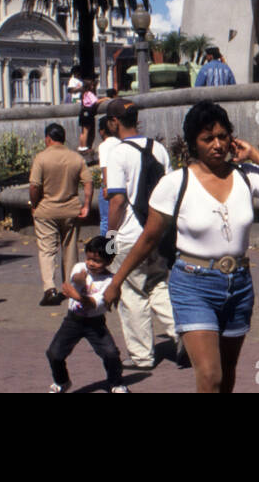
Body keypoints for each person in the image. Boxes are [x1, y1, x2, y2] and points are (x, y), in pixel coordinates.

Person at [103, 102, 259, 393]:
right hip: (193, 285)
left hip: (239, 285)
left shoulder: (245, 175)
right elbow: (148, 239)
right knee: (210, 376)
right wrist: (116, 280)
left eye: (222, 137)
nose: (217, 145)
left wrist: (255, 154)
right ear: (194, 143)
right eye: (208, 139)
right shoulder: (175, 183)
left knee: (227, 373)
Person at [104, 99, 177, 370]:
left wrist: (109, 238)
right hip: (157, 233)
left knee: (132, 293)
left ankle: (141, 356)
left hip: (128, 236)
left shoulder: (117, 153)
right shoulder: (158, 148)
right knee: (157, 285)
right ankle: (185, 335)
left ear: (114, 122)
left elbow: (117, 201)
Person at [47, 235, 128, 393]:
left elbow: (94, 303)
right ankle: (62, 382)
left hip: (95, 323)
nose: (91, 263)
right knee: (54, 353)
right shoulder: (80, 267)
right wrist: (79, 280)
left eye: (97, 261)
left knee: (110, 353)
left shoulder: (109, 281)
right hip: (73, 320)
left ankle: (116, 383)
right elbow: (75, 279)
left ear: (108, 262)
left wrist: (76, 296)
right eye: (89, 258)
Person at [30, 123, 93, 306]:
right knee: (70, 249)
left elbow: (34, 186)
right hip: (70, 210)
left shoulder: (41, 158)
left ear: (48, 138)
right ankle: (71, 286)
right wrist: (86, 205)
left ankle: (49, 288)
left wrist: (34, 204)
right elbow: (88, 182)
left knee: (47, 250)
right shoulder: (76, 158)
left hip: (46, 210)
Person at [95, 114, 120, 236]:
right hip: (121, 184)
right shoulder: (121, 143)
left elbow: (105, 167)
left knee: (106, 220)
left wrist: (105, 186)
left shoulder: (104, 146)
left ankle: (107, 246)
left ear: (102, 131)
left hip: (109, 185)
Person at [77, 79, 98, 151]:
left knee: (83, 132)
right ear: (89, 86)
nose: (93, 86)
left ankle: (81, 146)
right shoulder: (89, 93)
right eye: (92, 85)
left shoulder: (83, 94)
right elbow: (95, 101)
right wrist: (105, 99)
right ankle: (85, 146)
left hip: (83, 112)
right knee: (86, 131)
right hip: (88, 112)